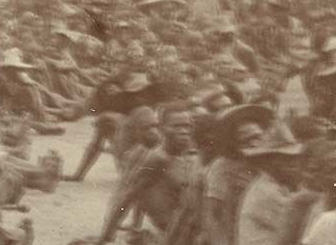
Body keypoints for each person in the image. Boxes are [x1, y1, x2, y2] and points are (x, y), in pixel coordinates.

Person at [99, 101, 195, 244]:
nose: (183, 131)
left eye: (187, 126)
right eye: (176, 126)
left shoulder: (187, 157)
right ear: (162, 128)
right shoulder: (157, 159)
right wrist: (105, 239)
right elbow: (126, 197)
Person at [237, 120, 318, 245]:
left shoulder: (279, 185)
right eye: (288, 161)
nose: (296, 166)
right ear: (272, 163)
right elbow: (303, 227)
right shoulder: (266, 192)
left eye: (295, 160)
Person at [202, 105, 273, 245]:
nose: (254, 144)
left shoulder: (273, 160)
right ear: (235, 144)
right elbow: (212, 214)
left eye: (257, 136)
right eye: (246, 141)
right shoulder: (223, 167)